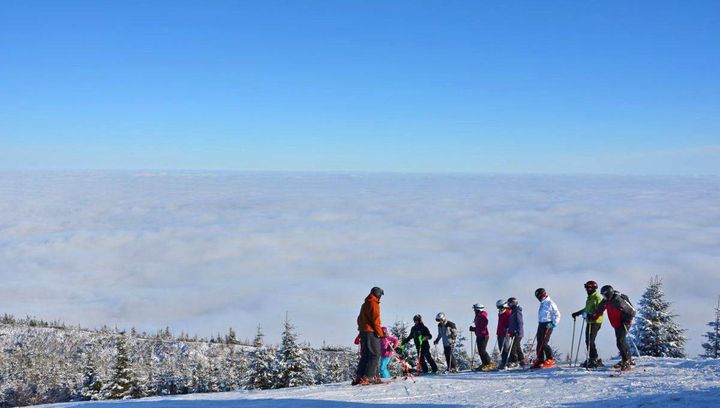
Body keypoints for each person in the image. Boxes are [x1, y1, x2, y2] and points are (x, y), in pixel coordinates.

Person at [591, 285, 636, 371]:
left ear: (609, 294)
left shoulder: (618, 300)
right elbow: (600, 309)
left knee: (620, 342)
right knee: (621, 341)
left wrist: (627, 321)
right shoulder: (606, 300)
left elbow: (632, 312)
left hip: (624, 323)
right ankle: (627, 359)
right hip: (617, 323)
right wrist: (593, 316)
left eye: (604, 295)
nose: (603, 297)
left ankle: (626, 361)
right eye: (603, 295)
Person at [353, 286, 385, 385]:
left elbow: (359, 319)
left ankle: (359, 376)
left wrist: (361, 331)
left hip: (363, 332)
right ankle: (369, 377)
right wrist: (380, 333)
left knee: (365, 355)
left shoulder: (365, 304)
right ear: (378, 294)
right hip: (371, 332)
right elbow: (376, 320)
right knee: (375, 354)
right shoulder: (374, 303)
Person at [571, 280, 605, 368]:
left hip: (596, 322)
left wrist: (593, 316)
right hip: (589, 321)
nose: (587, 289)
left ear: (594, 288)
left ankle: (594, 358)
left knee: (590, 340)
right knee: (588, 340)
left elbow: (600, 311)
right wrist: (577, 313)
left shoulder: (597, 298)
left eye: (589, 288)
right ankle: (592, 358)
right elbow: (586, 309)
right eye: (586, 287)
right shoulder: (590, 298)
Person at [532, 288, 561, 369]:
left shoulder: (550, 303)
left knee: (544, 343)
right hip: (541, 324)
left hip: (548, 324)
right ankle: (540, 360)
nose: (538, 298)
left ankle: (550, 359)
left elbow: (557, 314)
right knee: (539, 343)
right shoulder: (542, 303)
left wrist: (553, 323)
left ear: (542, 295)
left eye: (538, 296)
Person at [469, 303, 495, 371]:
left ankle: (489, 364)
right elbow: (479, 326)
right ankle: (484, 364)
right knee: (480, 351)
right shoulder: (478, 316)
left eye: (475, 309)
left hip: (484, 335)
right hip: (479, 335)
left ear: (478, 309)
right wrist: (475, 329)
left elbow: (483, 326)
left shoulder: (482, 316)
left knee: (483, 351)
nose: (474, 310)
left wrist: (474, 329)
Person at [503, 297, 525, 369]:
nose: (508, 305)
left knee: (512, 347)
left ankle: (514, 362)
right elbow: (512, 323)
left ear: (513, 303)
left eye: (509, 303)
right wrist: (509, 330)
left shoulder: (517, 311)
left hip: (518, 333)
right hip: (513, 332)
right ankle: (522, 361)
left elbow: (520, 322)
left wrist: (517, 330)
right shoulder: (513, 311)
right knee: (517, 347)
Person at [496, 299, 512, 366]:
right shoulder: (500, 313)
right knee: (500, 347)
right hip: (500, 332)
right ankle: (503, 361)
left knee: (505, 347)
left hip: (506, 332)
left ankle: (508, 361)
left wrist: (508, 328)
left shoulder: (508, 312)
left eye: (501, 307)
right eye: (498, 307)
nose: (499, 308)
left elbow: (510, 322)